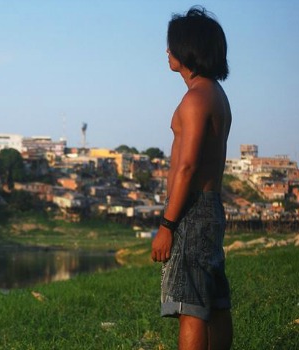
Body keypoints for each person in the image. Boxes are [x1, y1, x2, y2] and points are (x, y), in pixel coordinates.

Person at [151, 6, 233, 350]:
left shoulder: (196, 98)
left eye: (171, 46)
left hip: (192, 210)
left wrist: (167, 225)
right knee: (213, 301)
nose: (167, 52)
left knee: (190, 307)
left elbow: (187, 166)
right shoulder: (214, 93)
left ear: (188, 50)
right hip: (208, 206)